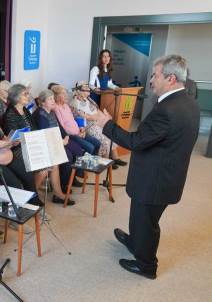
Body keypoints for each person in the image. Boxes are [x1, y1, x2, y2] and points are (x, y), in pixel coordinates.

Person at [95, 54, 199, 279]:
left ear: (170, 78)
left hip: (155, 181)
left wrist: (106, 124)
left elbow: (135, 141)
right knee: (141, 219)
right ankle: (135, 242)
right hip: (165, 175)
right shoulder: (188, 102)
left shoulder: (167, 110)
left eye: (155, 75)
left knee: (147, 223)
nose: (151, 80)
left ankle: (146, 266)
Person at [3, 84, 72, 206]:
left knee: (54, 162)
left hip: (30, 143)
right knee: (44, 169)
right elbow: (13, 137)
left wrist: (35, 140)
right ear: (16, 97)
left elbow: (34, 128)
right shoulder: (10, 114)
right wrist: (30, 139)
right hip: (18, 148)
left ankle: (58, 194)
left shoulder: (24, 110)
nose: (27, 95)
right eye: (25, 94)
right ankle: (31, 196)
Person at [33, 89, 85, 193]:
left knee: (79, 151)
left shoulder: (51, 112)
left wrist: (65, 137)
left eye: (53, 98)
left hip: (60, 140)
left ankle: (72, 178)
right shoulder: (40, 114)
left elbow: (60, 127)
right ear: (43, 102)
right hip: (50, 143)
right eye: (50, 99)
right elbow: (45, 135)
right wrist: (61, 142)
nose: (53, 101)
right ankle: (63, 185)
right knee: (68, 156)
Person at [70, 81, 127, 168]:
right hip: (88, 126)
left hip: (97, 122)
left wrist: (105, 116)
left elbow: (97, 110)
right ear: (79, 91)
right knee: (104, 139)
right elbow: (86, 117)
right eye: (86, 87)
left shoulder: (89, 99)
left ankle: (115, 158)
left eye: (88, 87)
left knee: (111, 134)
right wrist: (96, 117)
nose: (89, 89)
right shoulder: (75, 102)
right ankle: (106, 162)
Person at [52, 84, 101, 157]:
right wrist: (76, 134)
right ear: (57, 96)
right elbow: (62, 127)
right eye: (63, 94)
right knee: (90, 147)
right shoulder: (56, 109)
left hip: (78, 131)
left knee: (97, 143)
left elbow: (74, 119)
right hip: (71, 136)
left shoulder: (66, 105)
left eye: (66, 93)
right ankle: (84, 166)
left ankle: (92, 164)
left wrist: (81, 128)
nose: (66, 96)